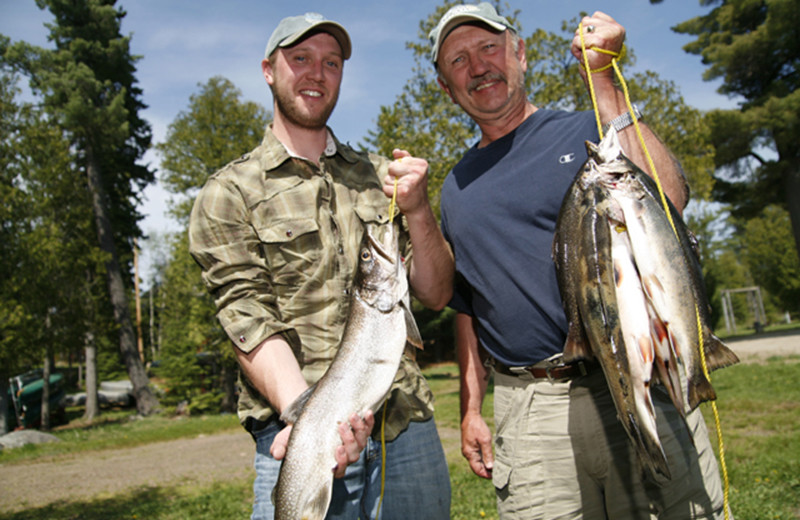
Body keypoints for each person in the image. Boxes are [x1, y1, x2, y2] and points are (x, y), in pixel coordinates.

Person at [429, 3, 727, 519]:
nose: (478, 67)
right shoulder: (455, 189)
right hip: (533, 413)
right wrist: (471, 409)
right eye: (458, 60)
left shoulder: (592, 131)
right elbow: (469, 305)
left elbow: (670, 199)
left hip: (640, 381)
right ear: (443, 85)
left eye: (489, 48)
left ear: (520, 55)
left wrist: (605, 78)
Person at [189, 13, 452, 520]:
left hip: (406, 427)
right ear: (269, 70)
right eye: (301, 58)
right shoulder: (228, 194)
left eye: (331, 62)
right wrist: (312, 418)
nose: (317, 73)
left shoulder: (382, 178)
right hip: (297, 432)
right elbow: (246, 318)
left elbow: (436, 293)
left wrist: (419, 210)